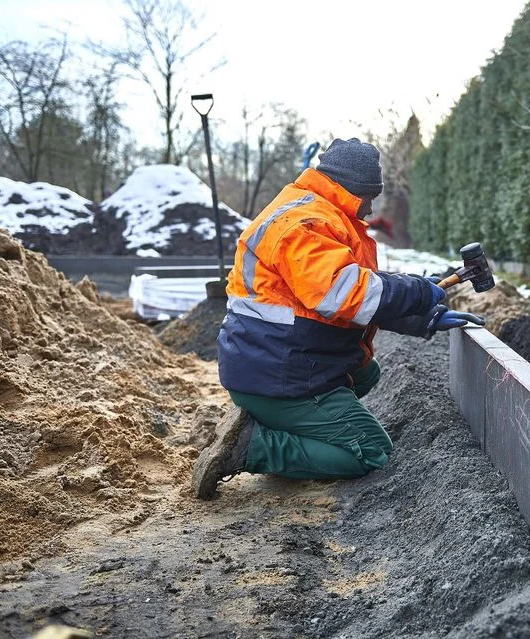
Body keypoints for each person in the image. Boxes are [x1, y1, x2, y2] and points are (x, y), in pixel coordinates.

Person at [193, 138, 484, 499]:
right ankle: (254, 446)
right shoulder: (306, 224)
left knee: (364, 373)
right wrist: (419, 292)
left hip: (266, 360)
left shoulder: (318, 212)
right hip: (275, 375)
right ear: (355, 190)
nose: (371, 207)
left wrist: (423, 317)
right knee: (369, 451)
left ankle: (278, 423)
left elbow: (350, 303)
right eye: (370, 197)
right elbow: (347, 295)